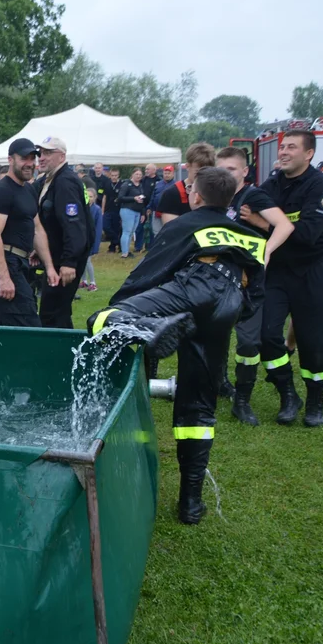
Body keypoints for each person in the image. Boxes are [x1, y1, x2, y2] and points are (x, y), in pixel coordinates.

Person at [87, 166, 264, 525]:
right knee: (199, 404)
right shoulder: (252, 236)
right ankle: (191, 502)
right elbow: (255, 294)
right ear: (232, 198)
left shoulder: (186, 223)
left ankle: (153, 329)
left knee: (103, 320)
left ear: (195, 195)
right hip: (228, 303)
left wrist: (129, 306)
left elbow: (150, 271)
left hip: (192, 289)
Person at [214, 146, 294, 425]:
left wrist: (267, 251)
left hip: (250, 284)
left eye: (231, 169)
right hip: (220, 281)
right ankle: (216, 385)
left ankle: (242, 401)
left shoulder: (252, 196)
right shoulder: (215, 198)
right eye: (221, 169)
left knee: (248, 343)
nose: (225, 174)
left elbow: (284, 226)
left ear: (244, 172)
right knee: (213, 335)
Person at [258, 130, 323, 426]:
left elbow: (306, 235)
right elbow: (247, 213)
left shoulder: (321, 186)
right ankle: (288, 394)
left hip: (311, 274)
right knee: (266, 335)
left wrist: (264, 223)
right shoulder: (271, 183)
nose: (284, 152)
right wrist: (264, 222)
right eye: (283, 147)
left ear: (309, 154)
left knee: (313, 341)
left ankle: (316, 401)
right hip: (276, 272)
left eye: (292, 147)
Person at [0, 139, 59, 328]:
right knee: (28, 323)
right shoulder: (1, 191)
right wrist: (4, 278)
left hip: (21, 263)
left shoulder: (29, 190)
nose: (30, 163)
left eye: (33, 158)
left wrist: (49, 266)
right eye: (24, 158)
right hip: (7, 263)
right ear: (10, 159)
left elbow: (37, 229)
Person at [34, 137, 92, 329]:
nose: (41, 158)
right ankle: (68, 355)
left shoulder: (65, 181)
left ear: (62, 156)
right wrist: (41, 249)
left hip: (64, 260)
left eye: (48, 153)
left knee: (53, 313)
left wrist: (69, 261)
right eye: (40, 153)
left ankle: (60, 355)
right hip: (57, 256)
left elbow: (73, 225)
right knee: (56, 311)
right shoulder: (51, 179)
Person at [156, 143, 217, 226]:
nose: (204, 176)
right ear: (188, 166)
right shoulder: (172, 194)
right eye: (199, 172)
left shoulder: (216, 192)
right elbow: (171, 230)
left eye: (208, 172)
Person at [117, 168, 146, 259]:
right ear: (132, 174)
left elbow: (142, 200)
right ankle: (124, 253)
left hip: (137, 211)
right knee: (126, 231)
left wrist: (143, 213)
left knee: (131, 232)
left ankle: (127, 250)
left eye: (140, 175)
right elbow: (120, 197)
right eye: (137, 174)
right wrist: (133, 198)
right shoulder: (126, 185)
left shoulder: (140, 186)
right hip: (127, 210)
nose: (138, 176)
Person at [80, 187, 102, 291]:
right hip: (81, 239)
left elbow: (98, 228)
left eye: (91, 196)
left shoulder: (97, 210)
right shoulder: (82, 208)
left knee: (88, 261)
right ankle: (84, 281)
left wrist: (95, 244)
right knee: (81, 261)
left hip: (91, 239)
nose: (89, 198)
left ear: (95, 197)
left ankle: (93, 282)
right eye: (87, 196)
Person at [149, 165, 176, 236]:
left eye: (168, 173)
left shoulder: (176, 185)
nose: (167, 175)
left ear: (173, 174)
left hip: (169, 212)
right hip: (157, 211)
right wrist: (149, 207)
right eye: (165, 173)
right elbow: (153, 196)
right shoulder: (158, 184)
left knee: (168, 231)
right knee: (156, 232)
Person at [137, 163, 159, 251]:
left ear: (154, 170)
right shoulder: (143, 180)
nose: (146, 171)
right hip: (141, 206)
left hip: (152, 207)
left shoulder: (158, 180)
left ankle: (150, 247)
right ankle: (138, 246)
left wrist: (150, 207)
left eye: (148, 169)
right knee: (139, 227)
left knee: (150, 228)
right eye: (145, 169)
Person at [104, 167, 123, 253]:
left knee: (116, 228)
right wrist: (102, 210)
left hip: (117, 210)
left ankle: (112, 247)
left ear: (118, 175)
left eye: (115, 175)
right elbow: (104, 197)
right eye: (112, 175)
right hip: (108, 209)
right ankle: (117, 241)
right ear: (110, 175)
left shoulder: (122, 184)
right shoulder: (107, 184)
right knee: (106, 226)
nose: (114, 177)